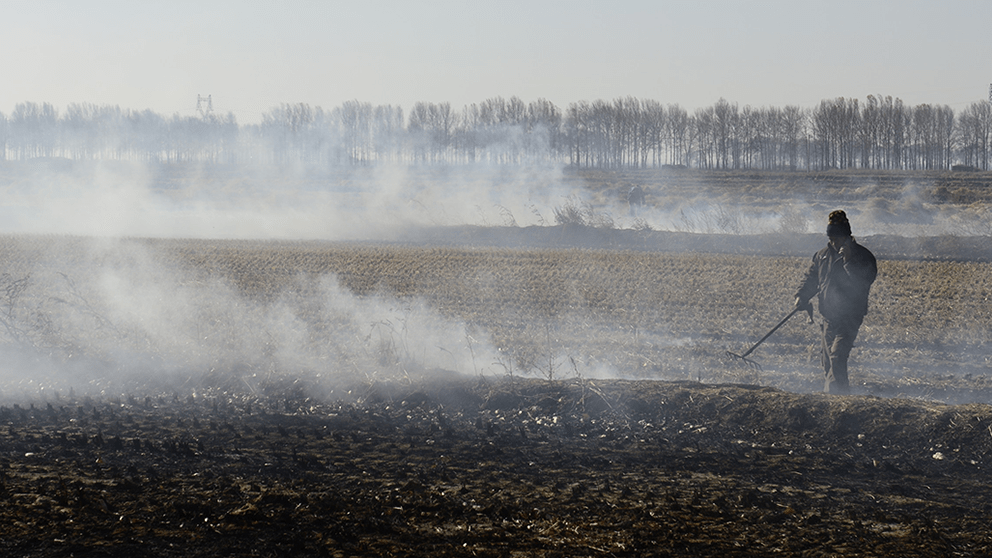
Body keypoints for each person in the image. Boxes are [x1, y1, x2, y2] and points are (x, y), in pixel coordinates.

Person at [794, 210, 877, 394]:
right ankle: (835, 400)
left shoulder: (863, 257)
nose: (834, 242)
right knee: (827, 362)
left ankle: (838, 401)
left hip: (849, 317)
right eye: (831, 238)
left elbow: (864, 282)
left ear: (848, 237)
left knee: (837, 358)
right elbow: (812, 279)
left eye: (838, 239)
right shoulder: (822, 256)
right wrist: (801, 296)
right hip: (828, 317)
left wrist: (848, 261)